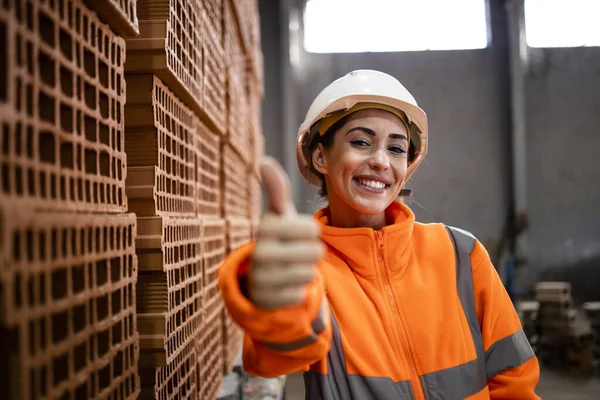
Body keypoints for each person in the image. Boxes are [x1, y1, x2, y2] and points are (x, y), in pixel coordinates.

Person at [218, 70, 540, 399]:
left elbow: (514, 377)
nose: (381, 161)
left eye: (397, 149)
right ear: (320, 157)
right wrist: (272, 300)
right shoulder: (308, 268)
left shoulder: (461, 253)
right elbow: (271, 361)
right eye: (361, 142)